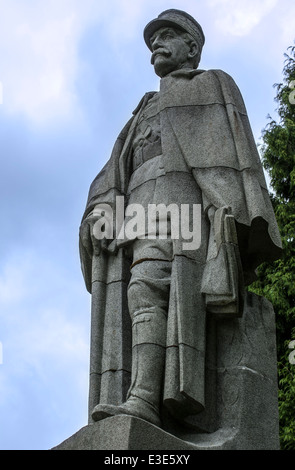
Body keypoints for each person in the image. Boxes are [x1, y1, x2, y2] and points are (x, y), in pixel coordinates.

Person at [79, 9, 281, 428]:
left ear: (192, 46)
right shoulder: (141, 111)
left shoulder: (213, 84)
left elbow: (231, 163)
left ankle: (144, 399)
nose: (156, 44)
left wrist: (225, 217)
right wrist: (101, 208)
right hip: (136, 213)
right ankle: (141, 396)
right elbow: (113, 171)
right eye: (153, 39)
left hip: (182, 210)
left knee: (146, 288)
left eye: (167, 35)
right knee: (140, 293)